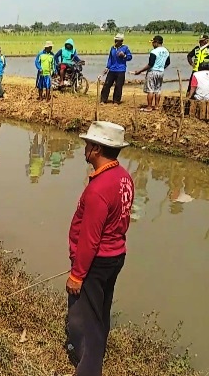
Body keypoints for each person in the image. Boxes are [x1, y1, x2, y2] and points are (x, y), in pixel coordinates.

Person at [65, 121, 134, 376]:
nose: (85, 149)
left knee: (87, 320)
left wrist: (77, 274)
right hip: (115, 255)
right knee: (101, 313)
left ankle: (89, 369)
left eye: (87, 145)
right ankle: (92, 357)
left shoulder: (99, 188)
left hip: (96, 260)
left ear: (96, 149)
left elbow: (90, 238)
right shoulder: (124, 178)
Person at [131, 35, 170, 112]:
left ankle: (149, 107)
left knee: (150, 90)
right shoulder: (166, 51)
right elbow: (168, 62)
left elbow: (150, 64)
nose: (152, 44)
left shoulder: (154, 52)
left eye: (153, 42)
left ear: (157, 42)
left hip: (152, 72)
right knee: (158, 90)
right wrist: (161, 67)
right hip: (161, 72)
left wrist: (140, 71)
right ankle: (156, 106)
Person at [101, 33, 133, 105]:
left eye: (117, 40)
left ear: (121, 41)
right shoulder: (112, 48)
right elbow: (110, 58)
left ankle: (116, 101)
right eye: (115, 40)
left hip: (121, 70)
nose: (115, 42)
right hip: (112, 69)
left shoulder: (125, 48)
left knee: (118, 86)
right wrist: (107, 67)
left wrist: (124, 55)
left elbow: (130, 57)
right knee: (107, 84)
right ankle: (103, 100)